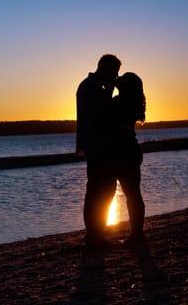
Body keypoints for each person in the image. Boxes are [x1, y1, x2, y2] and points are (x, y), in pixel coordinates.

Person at [76, 54, 121, 249]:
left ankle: (95, 234)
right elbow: (101, 114)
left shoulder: (88, 85)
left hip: (95, 145)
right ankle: (95, 235)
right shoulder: (92, 88)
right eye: (114, 72)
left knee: (99, 189)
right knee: (100, 190)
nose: (115, 76)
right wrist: (110, 91)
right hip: (98, 146)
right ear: (105, 69)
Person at [112, 72, 146, 245]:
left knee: (132, 195)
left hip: (125, 152)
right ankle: (137, 233)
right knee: (133, 195)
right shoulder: (130, 102)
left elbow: (120, 129)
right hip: (131, 151)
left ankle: (137, 234)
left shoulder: (121, 102)